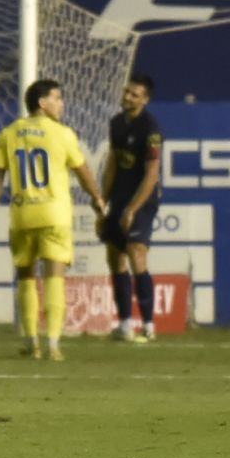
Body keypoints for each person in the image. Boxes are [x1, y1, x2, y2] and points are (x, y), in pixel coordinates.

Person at [0, 78, 104, 360]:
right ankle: (53, 342)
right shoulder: (62, 134)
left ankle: (30, 340)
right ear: (42, 102)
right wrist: (98, 199)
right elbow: (84, 172)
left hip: (22, 215)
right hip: (54, 215)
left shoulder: (8, 133)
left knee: (25, 277)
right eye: (57, 98)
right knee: (54, 278)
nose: (62, 104)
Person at [98, 73, 163, 342]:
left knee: (137, 252)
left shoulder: (151, 130)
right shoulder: (116, 123)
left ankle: (148, 324)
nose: (127, 97)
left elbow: (152, 174)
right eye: (126, 92)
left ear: (145, 100)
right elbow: (113, 162)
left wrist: (133, 209)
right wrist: (103, 201)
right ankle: (125, 323)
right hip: (119, 196)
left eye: (134, 95)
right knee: (115, 255)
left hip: (142, 199)